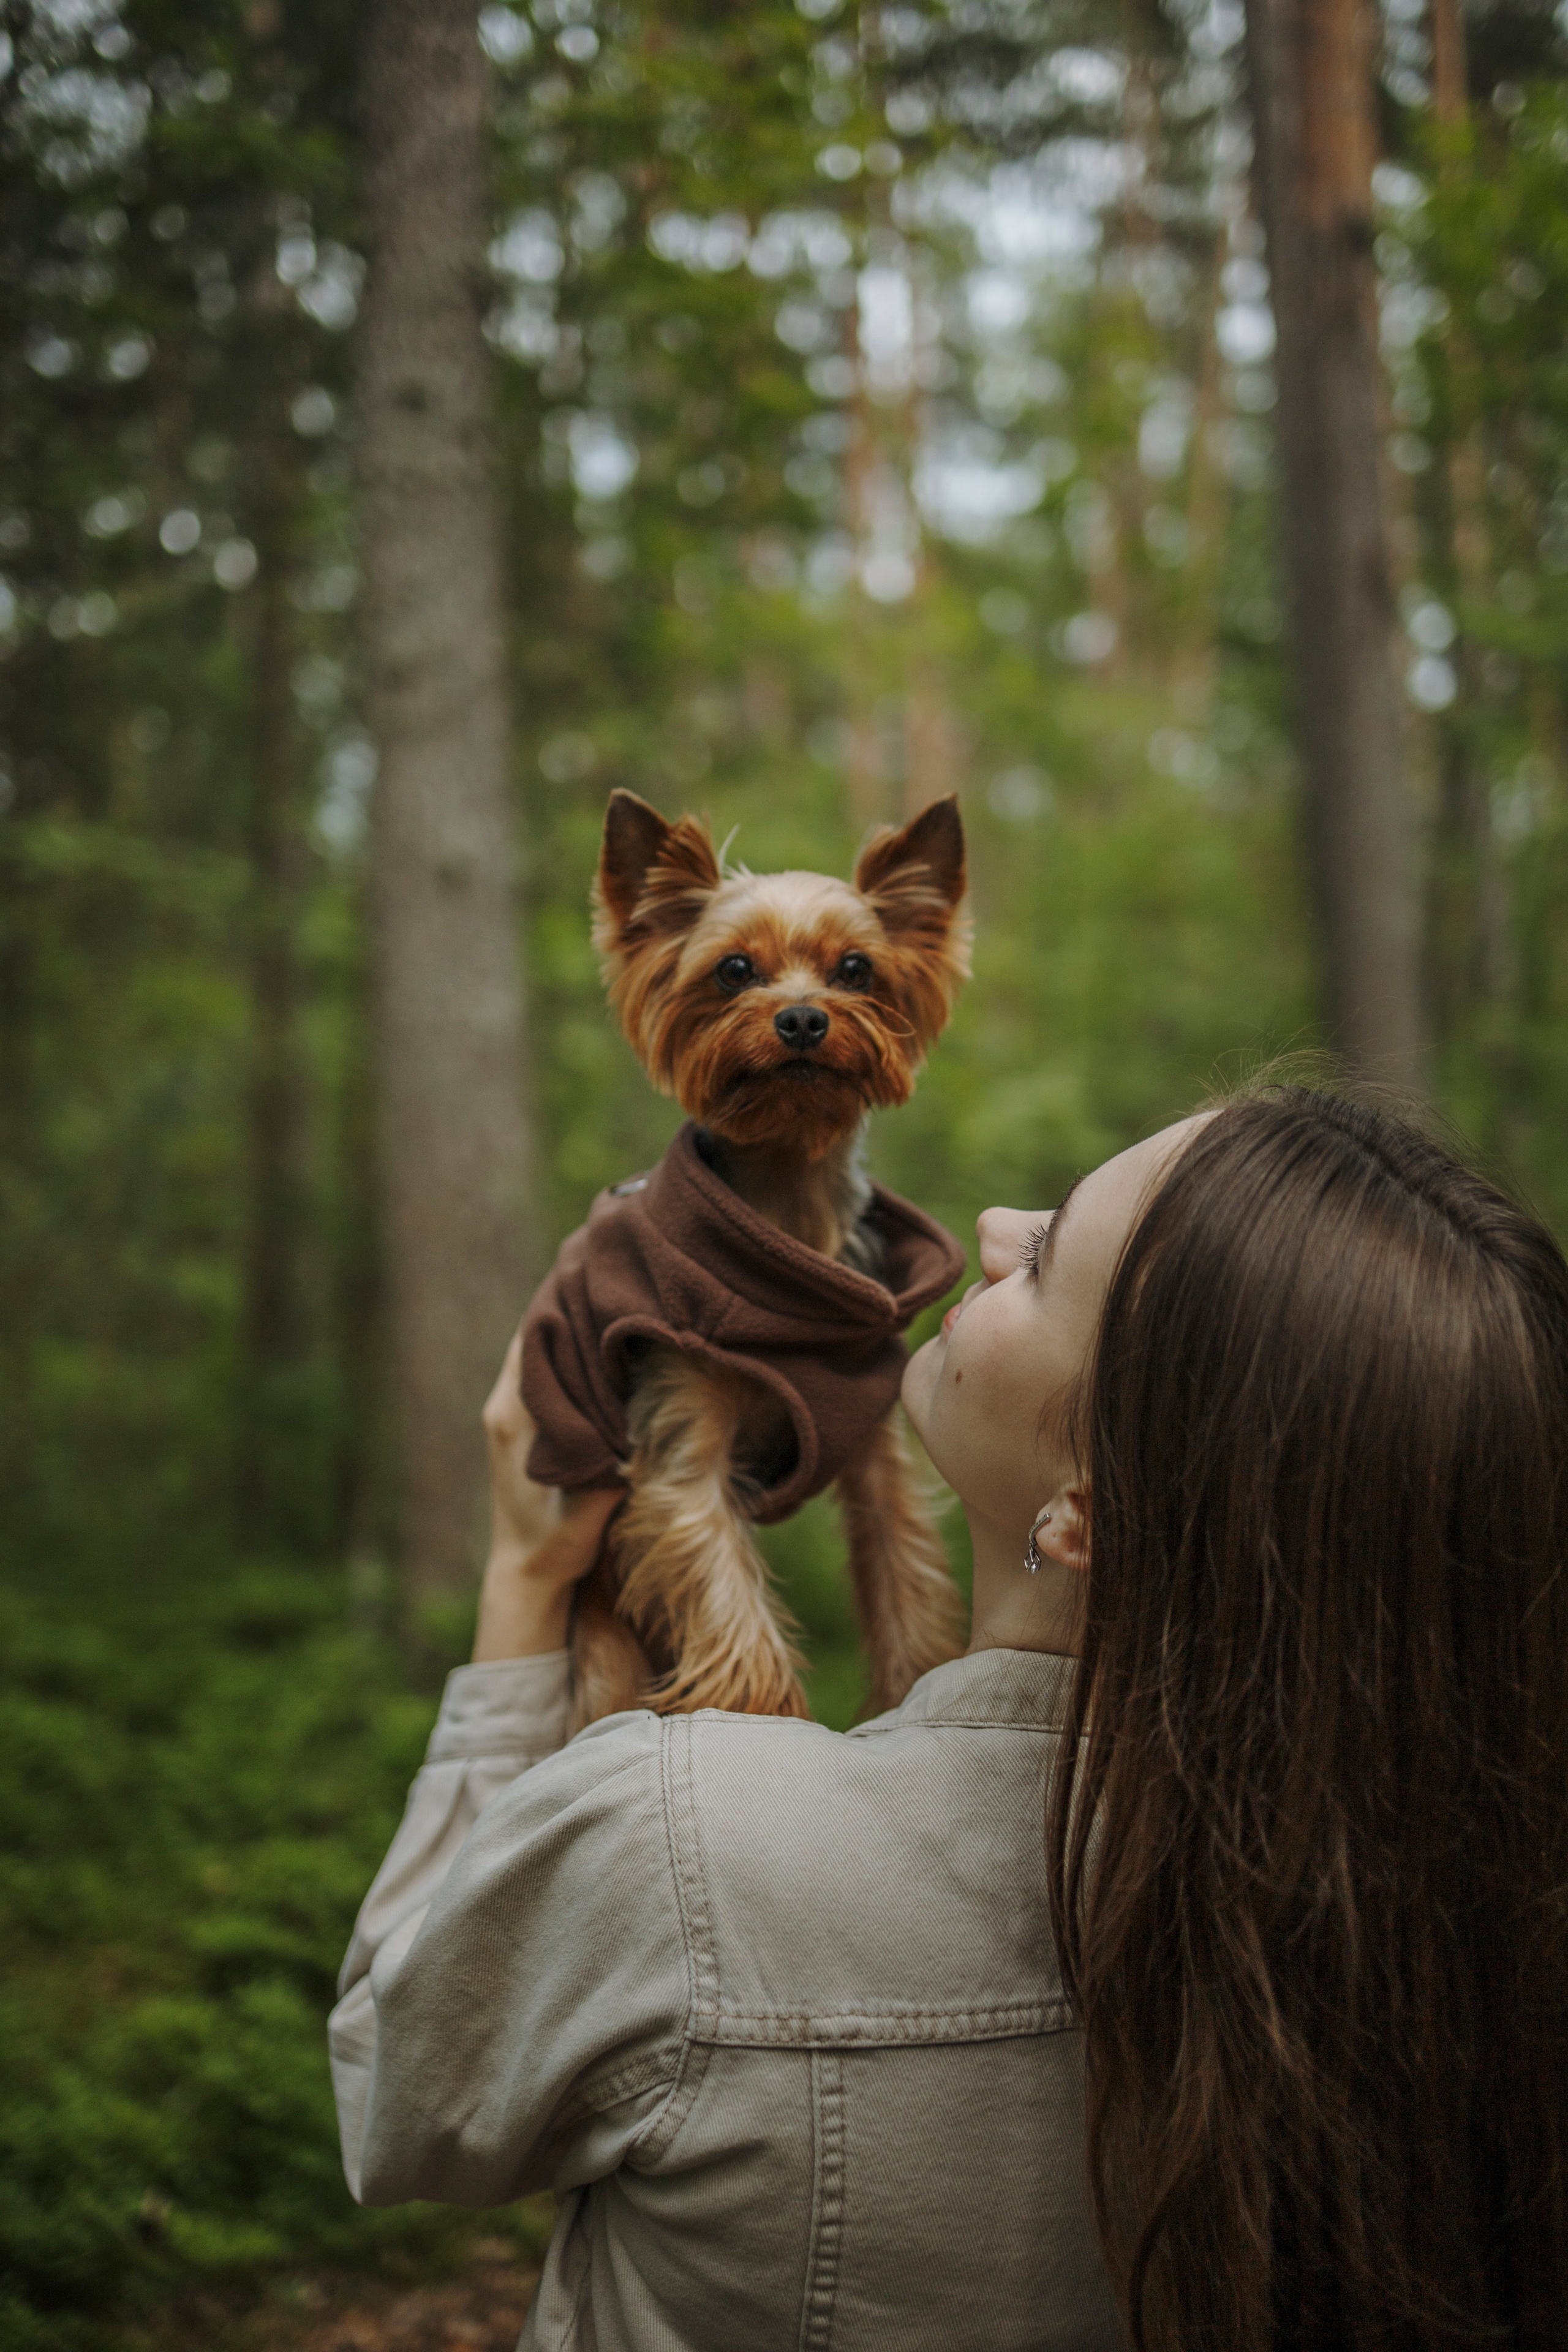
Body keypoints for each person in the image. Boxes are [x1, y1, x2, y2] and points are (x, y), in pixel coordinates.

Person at [330, 1085, 1568, 2352]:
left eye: (1045, 1256)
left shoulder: (685, 1847)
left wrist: (523, 1580)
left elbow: (389, 2092)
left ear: (1084, 1512)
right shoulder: (1459, 1945)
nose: (988, 1228)